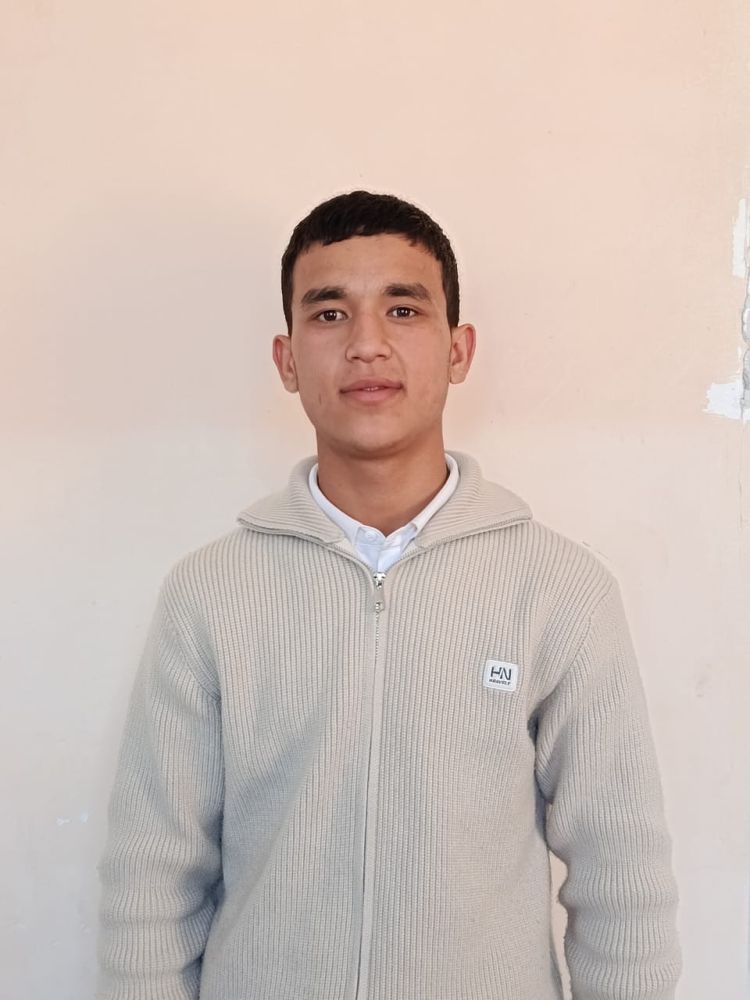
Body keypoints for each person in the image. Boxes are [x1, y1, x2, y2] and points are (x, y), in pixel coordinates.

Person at [96, 190, 681, 1000]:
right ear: (286, 359)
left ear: (458, 349)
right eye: (329, 314)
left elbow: (623, 880)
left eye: (403, 310)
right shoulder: (210, 594)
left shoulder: (559, 591)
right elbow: (152, 881)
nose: (367, 344)